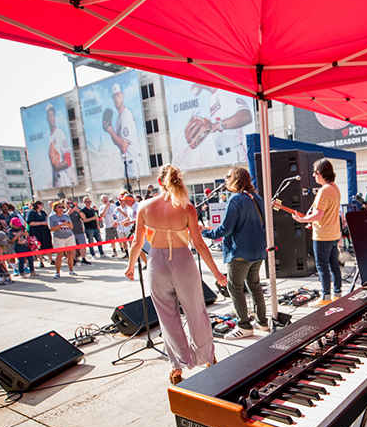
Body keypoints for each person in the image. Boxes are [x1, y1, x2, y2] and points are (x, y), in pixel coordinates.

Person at [125, 164, 227, 385]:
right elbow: (199, 244)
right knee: (196, 312)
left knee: (167, 317)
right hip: (183, 263)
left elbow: (137, 243)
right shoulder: (187, 208)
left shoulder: (144, 206)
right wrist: (217, 273)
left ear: (159, 182)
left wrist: (131, 266)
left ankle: (177, 366)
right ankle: (208, 358)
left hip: (156, 264)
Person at [201, 167, 268, 340]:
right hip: (258, 250)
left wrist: (205, 232)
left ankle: (244, 326)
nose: (225, 180)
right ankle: (261, 322)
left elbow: (226, 229)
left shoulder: (235, 199)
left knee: (235, 287)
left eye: (228, 177)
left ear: (236, 179)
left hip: (240, 252)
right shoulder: (257, 198)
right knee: (254, 285)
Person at [292, 158, 342, 308]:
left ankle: (325, 297)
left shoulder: (323, 191)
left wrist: (302, 220)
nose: (313, 175)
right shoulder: (334, 187)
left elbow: (319, 215)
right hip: (333, 234)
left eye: (315, 172)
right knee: (334, 266)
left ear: (320, 173)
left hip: (323, 236)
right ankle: (337, 295)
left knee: (322, 266)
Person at [185, 84, 253, 163]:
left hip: (234, 153)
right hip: (220, 157)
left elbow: (246, 116)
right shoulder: (213, 97)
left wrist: (217, 126)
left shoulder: (225, 91)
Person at [104, 83, 143, 181]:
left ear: (122, 96)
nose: (116, 99)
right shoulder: (118, 117)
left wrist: (111, 131)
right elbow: (116, 142)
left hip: (134, 162)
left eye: (118, 95)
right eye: (114, 97)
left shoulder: (126, 115)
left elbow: (124, 147)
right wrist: (110, 130)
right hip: (126, 163)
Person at [46, 103, 74, 188]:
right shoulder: (49, 138)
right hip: (55, 179)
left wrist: (57, 167)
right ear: (47, 118)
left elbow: (68, 160)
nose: (52, 117)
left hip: (62, 177)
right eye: (49, 115)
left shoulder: (59, 133)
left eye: (53, 115)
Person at [48, 200, 76, 278]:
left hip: (69, 236)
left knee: (70, 254)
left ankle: (71, 270)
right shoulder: (52, 217)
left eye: (62, 207)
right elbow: (51, 228)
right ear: (55, 209)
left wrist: (70, 224)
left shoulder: (66, 216)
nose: (61, 209)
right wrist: (62, 225)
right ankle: (57, 272)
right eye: (59, 207)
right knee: (59, 255)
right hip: (58, 237)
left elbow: (71, 227)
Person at [26, 201, 53, 268]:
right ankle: (41, 261)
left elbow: (47, 218)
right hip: (36, 231)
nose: (42, 206)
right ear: (38, 205)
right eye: (41, 205)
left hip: (44, 231)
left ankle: (51, 259)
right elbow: (30, 222)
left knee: (47, 244)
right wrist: (41, 223)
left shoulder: (42, 212)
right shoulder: (32, 212)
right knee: (38, 246)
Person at [66, 201, 90, 265]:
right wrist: (69, 211)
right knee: (72, 247)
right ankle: (73, 259)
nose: (70, 204)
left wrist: (78, 211)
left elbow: (83, 217)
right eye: (68, 203)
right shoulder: (64, 212)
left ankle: (84, 258)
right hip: (70, 233)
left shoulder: (77, 211)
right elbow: (63, 218)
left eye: (71, 203)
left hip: (79, 231)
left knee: (83, 246)